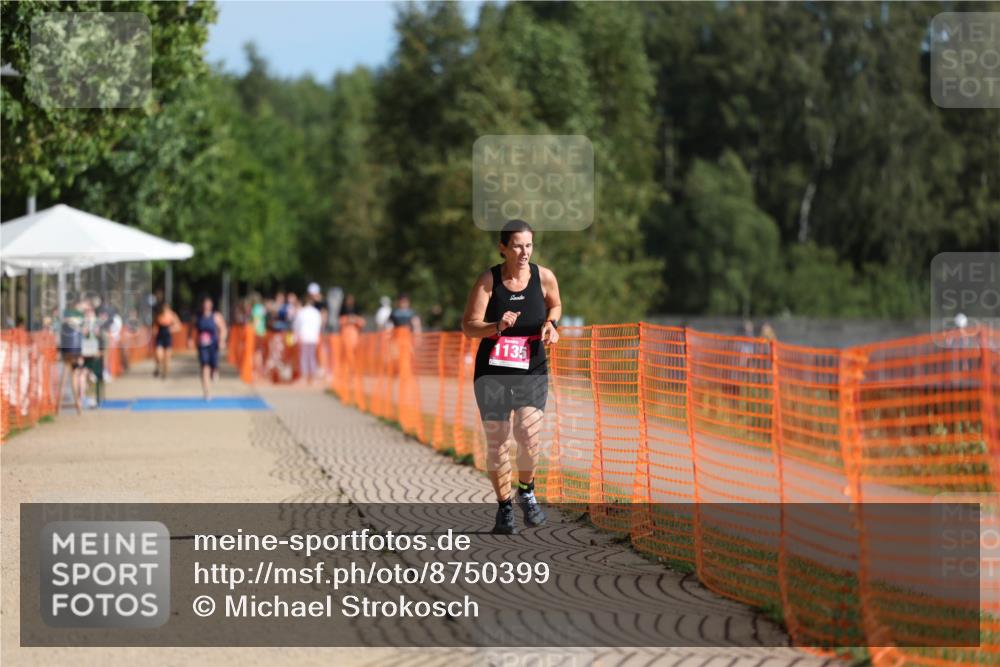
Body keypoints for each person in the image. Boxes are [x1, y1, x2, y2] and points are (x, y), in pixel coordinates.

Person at [461, 219, 562, 535]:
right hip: (493, 373)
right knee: (498, 440)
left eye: (529, 245)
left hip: (532, 367)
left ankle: (527, 491)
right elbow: (469, 326)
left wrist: (551, 325)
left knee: (528, 434)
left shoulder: (544, 277)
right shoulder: (488, 281)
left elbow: (556, 305)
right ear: (503, 248)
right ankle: (504, 507)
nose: (524, 252)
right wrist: (497, 327)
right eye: (517, 246)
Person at [189, 296, 227, 400]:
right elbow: (191, 328)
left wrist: (222, 340)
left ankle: (215, 370)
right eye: (204, 304)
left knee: (213, 365)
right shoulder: (197, 316)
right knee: (204, 367)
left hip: (213, 345)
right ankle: (206, 392)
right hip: (202, 346)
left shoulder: (216, 316)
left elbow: (223, 329)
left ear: (211, 305)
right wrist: (190, 339)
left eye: (208, 304)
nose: (206, 306)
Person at [292, 293, 323, 386]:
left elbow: (296, 325)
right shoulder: (316, 312)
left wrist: (296, 336)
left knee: (304, 357)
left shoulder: (302, 312)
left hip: (304, 337)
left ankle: (304, 377)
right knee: (312, 357)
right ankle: (313, 378)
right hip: (313, 337)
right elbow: (319, 325)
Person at [153, 302, 182, 379]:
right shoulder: (158, 315)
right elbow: (155, 325)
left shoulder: (172, 315)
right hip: (160, 337)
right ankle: (158, 366)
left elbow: (179, 326)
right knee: (159, 355)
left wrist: (172, 329)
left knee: (167, 357)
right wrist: (154, 331)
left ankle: (165, 372)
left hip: (167, 337)